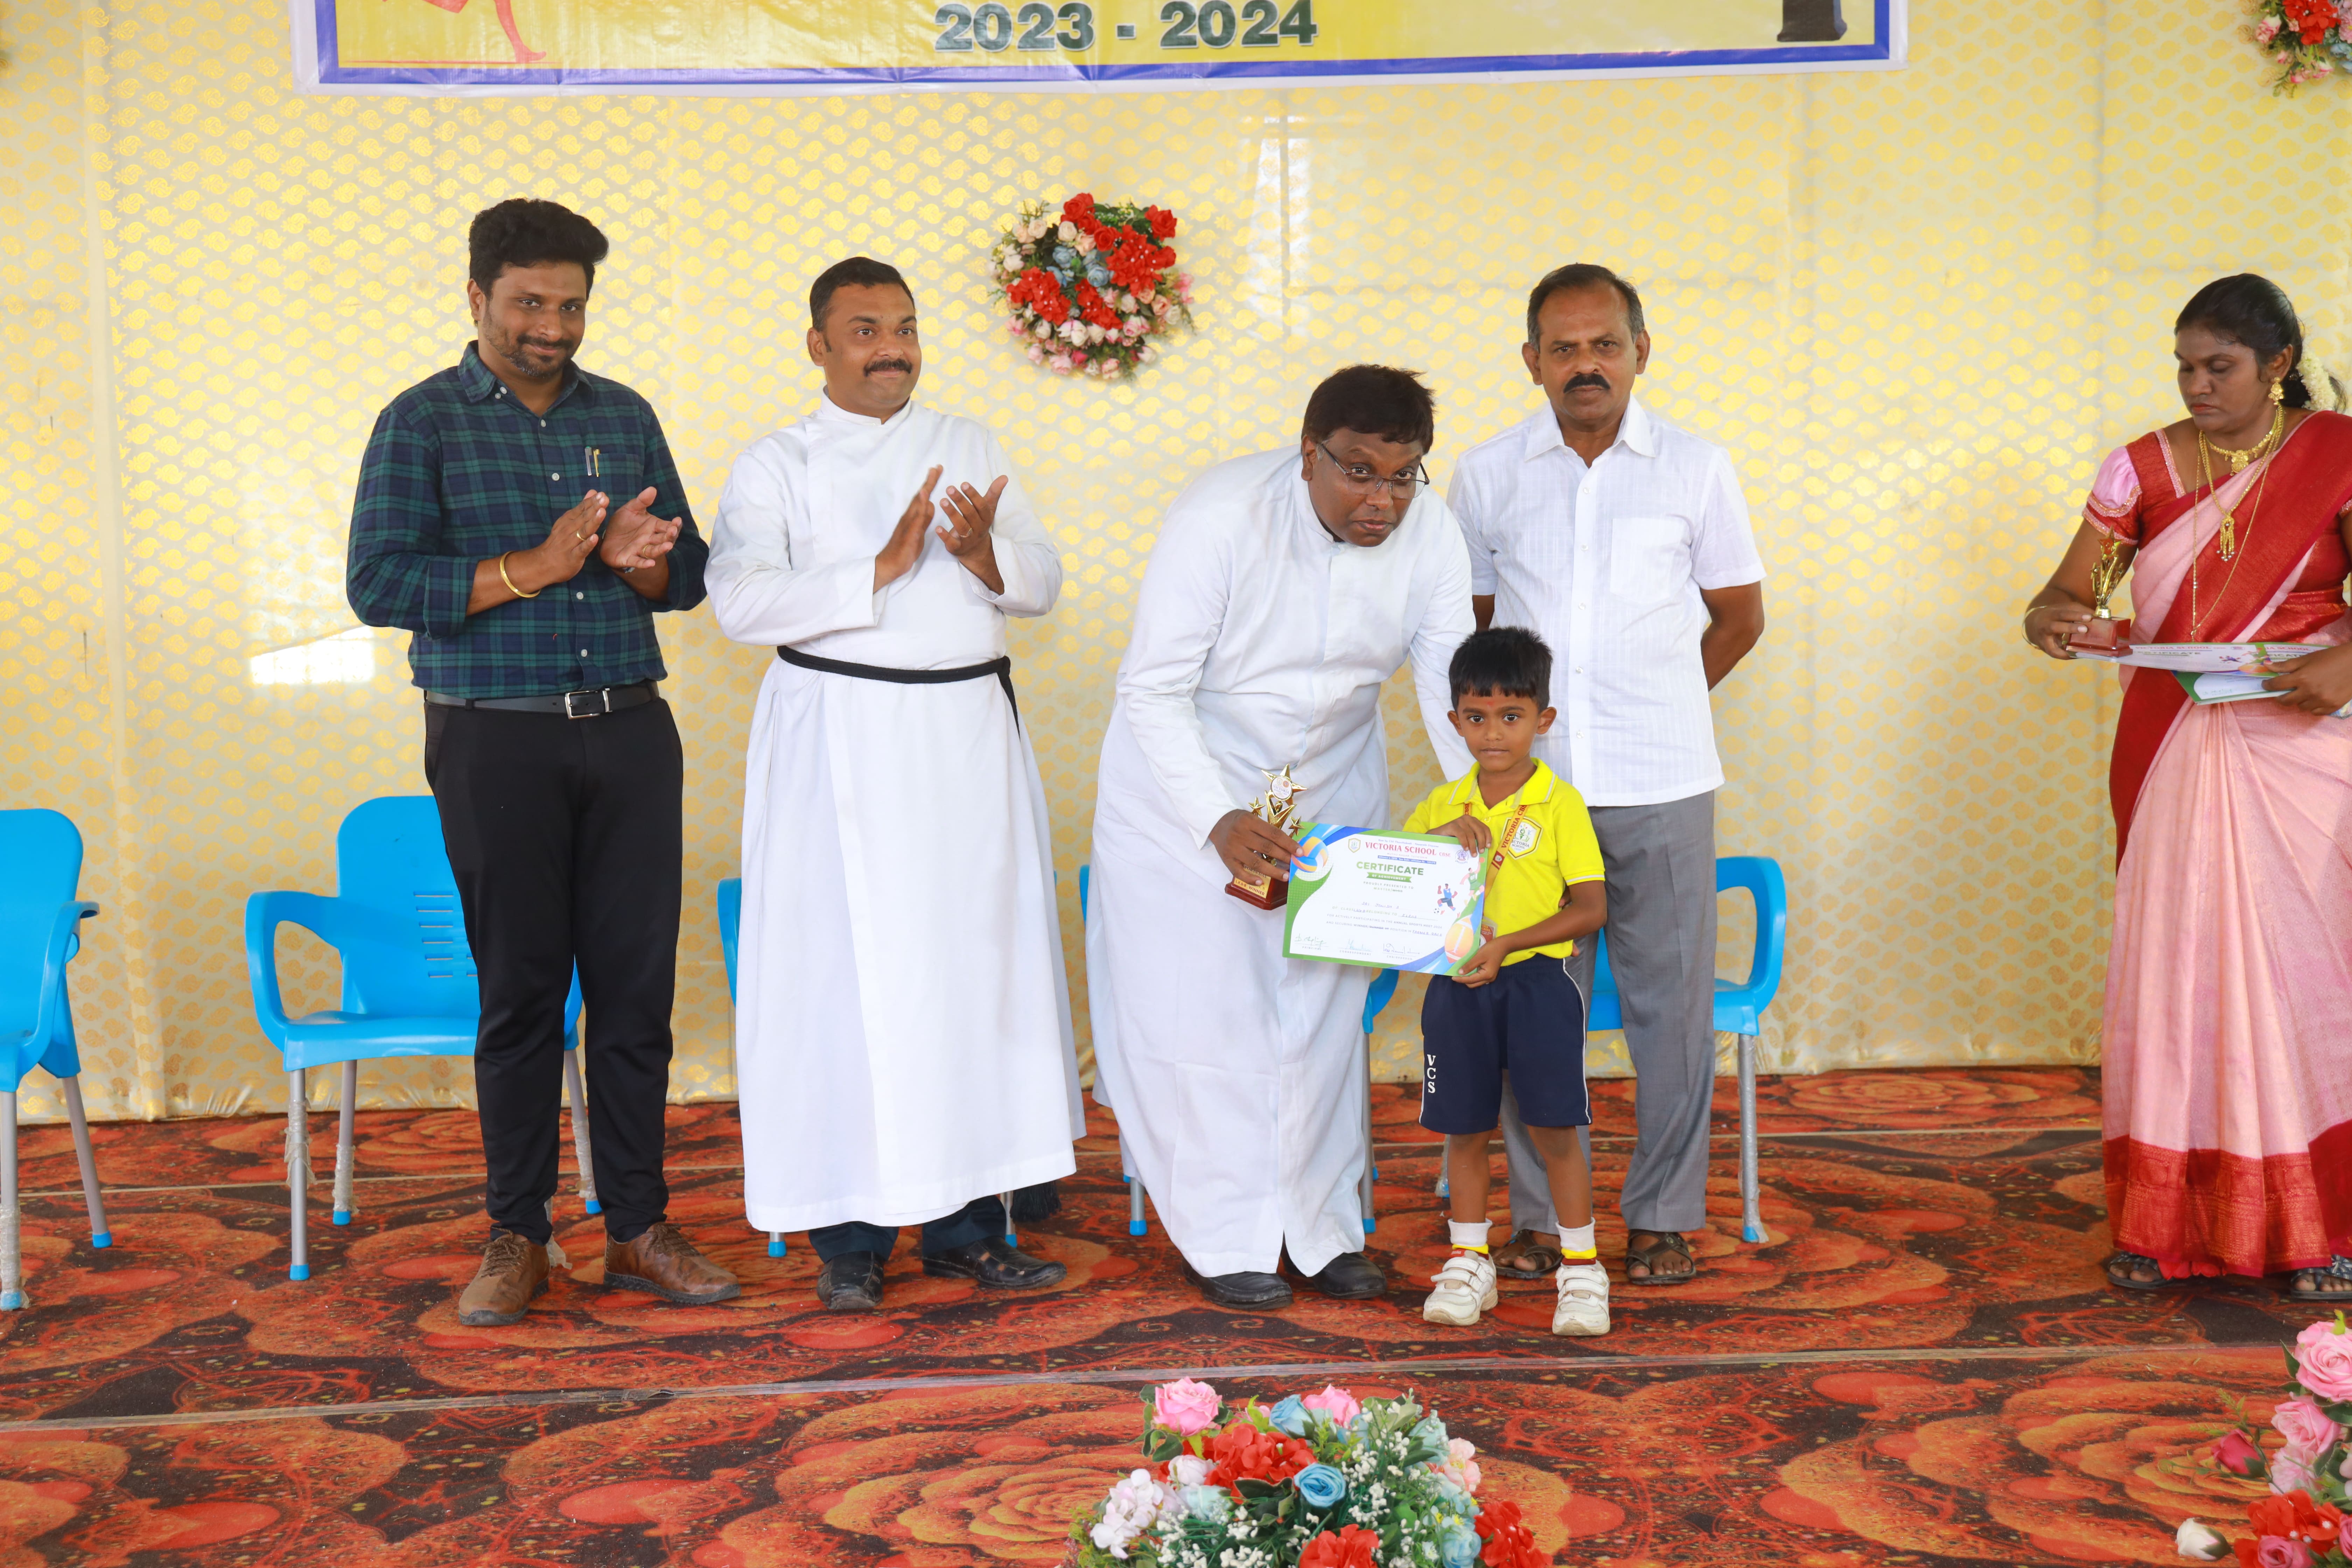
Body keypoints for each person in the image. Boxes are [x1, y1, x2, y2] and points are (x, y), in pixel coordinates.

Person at [347, 198, 738, 1326]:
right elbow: (378, 583)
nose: (552, 327)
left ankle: (638, 1229)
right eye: (529, 304)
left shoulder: (624, 413)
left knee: (636, 994)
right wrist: (538, 565)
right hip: (494, 736)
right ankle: (517, 1234)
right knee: (520, 995)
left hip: (630, 733)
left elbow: (688, 578)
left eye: (571, 306)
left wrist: (637, 559)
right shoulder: (420, 422)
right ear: (478, 297)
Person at [708, 257, 1080, 1312]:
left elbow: (1044, 581)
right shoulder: (776, 461)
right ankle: (851, 1241)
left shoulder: (969, 442)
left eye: (906, 327)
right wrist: (879, 567)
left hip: (965, 741)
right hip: (840, 742)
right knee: (846, 982)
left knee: (971, 976)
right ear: (818, 345)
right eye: (866, 329)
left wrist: (983, 557)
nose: (892, 348)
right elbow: (737, 600)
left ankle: (970, 1229)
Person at [1088, 365, 1475, 1310]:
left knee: (1323, 1018)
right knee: (1209, 1016)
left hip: (1334, 784)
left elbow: (1446, 686)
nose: (1382, 500)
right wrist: (1214, 818)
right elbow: (1153, 689)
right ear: (1310, 455)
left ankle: (1320, 1230)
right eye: (1360, 472)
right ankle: (1226, 1235)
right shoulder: (1219, 516)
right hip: (1189, 794)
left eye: (1404, 476)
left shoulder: (1432, 532)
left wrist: (1477, 805)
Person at [2022, 274, 2352, 1301]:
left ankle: (2325, 1225)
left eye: (2221, 367)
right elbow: (2068, 589)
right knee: (2175, 967)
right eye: (2185, 367)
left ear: (2279, 365)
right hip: (2171, 741)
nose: (2197, 385)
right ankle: (2163, 1225)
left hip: (2303, 741)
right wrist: (2054, 617)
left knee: (2306, 975)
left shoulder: (2339, 456)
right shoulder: (2142, 468)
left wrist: (2348, 663)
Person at [1449, 264, 1767, 1288]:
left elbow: (1740, 617)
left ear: (1641, 351)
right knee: (1530, 1007)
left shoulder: (1697, 468)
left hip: (1663, 783)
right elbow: (1473, 639)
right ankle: (1543, 1219)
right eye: (1564, 348)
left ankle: (1663, 1216)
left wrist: (1665, 700)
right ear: (1531, 360)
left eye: (1605, 345)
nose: (1586, 365)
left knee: (1671, 1017)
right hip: (1534, 798)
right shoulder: (1487, 475)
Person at [1406, 628, 1612, 1336]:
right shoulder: (1441, 804)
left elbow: (1591, 908)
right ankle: (1470, 1261)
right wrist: (1437, 844)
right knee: (1464, 1128)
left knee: (1554, 1127)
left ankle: (1581, 1269)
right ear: (1455, 719)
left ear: (1542, 719)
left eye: (1511, 715)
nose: (1493, 732)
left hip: (1537, 985)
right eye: (1476, 716)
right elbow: (1397, 888)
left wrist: (1509, 944)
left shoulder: (1561, 804)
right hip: (1457, 990)